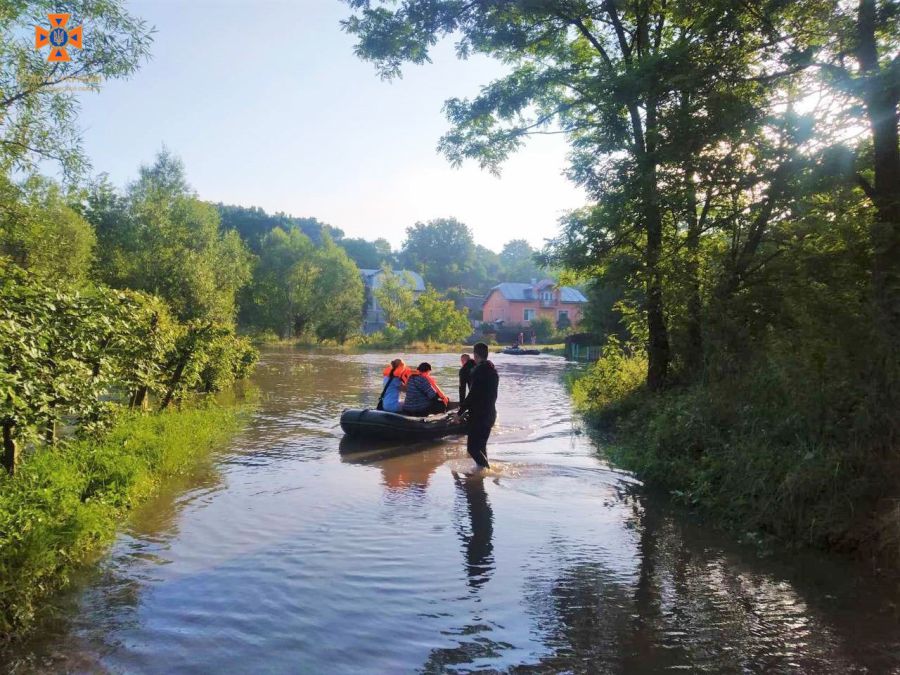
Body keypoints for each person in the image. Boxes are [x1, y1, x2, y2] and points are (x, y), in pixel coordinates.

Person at [458, 342, 498, 469]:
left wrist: (459, 413)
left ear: (475, 355)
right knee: (481, 447)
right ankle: (481, 476)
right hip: (491, 413)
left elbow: (472, 395)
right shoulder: (493, 370)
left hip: (479, 415)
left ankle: (486, 470)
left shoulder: (478, 371)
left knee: (472, 449)